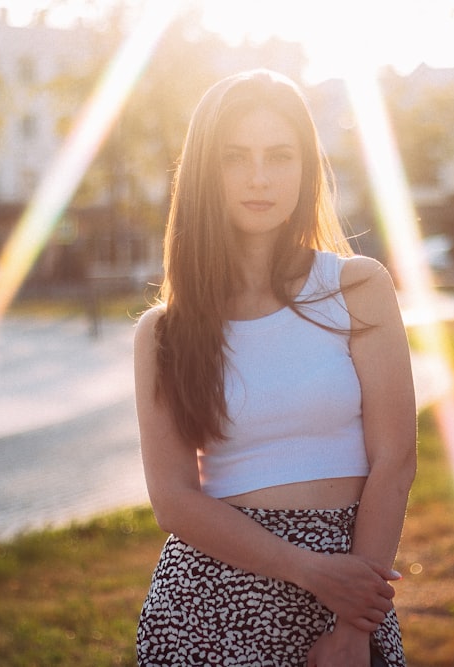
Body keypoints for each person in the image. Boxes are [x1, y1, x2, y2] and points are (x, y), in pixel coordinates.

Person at [134, 69, 417, 666]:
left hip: (349, 593)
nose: (259, 177)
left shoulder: (357, 286)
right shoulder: (164, 332)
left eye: (279, 156)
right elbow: (174, 500)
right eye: (236, 157)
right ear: (206, 172)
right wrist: (309, 570)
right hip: (208, 608)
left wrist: (351, 625)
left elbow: (396, 457)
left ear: (306, 168)